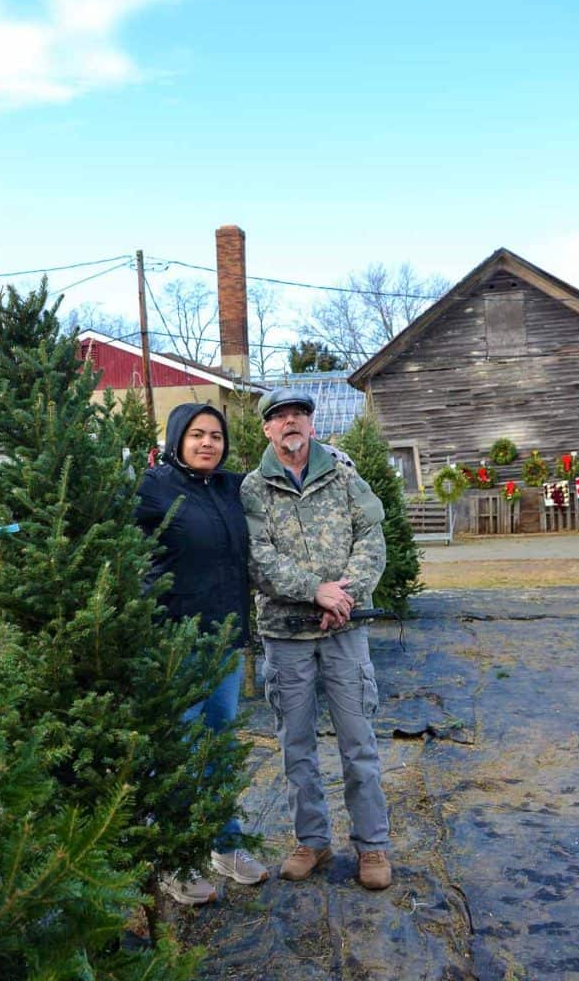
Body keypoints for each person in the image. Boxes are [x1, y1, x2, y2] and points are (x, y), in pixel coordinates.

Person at [240, 387, 392, 890]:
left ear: (311, 424)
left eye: (299, 415)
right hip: (286, 637)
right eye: (280, 416)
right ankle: (312, 840)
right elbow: (257, 559)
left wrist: (344, 597)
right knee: (295, 745)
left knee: (358, 742)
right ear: (267, 429)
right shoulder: (252, 489)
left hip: (344, 633)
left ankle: (371, 847)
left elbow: (371, 537)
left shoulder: (344, 474)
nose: (290, 423)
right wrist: (315, 593)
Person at [135, 402, 268, 905]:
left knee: (218, 745)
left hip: (227, 641)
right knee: (180, 749)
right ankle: (173, 858)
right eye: (197, 434)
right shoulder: (153, 488)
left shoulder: (232, 488)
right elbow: (121, 545)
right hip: (175, 640)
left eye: (215, 435)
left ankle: (224, 845)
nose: (208, 442)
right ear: (176, 440)